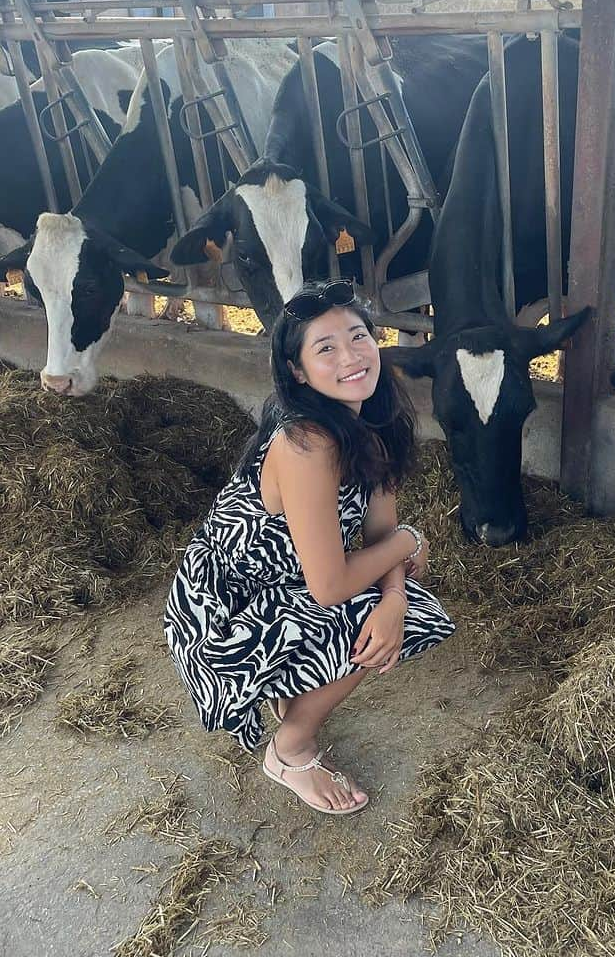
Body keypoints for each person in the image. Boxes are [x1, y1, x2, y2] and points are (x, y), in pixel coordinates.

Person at [164, 280, 454, 815]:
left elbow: (381, 532)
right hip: (224, 608)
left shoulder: (375, 419)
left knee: (405, 603)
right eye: (326, 348)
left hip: (288, 577)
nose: (351, 356)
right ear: (297, 371)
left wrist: (395, 598)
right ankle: (290, 747)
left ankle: (288, 690)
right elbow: (331, 586)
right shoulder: (308, 441)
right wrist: (412, 544)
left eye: (359, 336)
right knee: (399, 606)